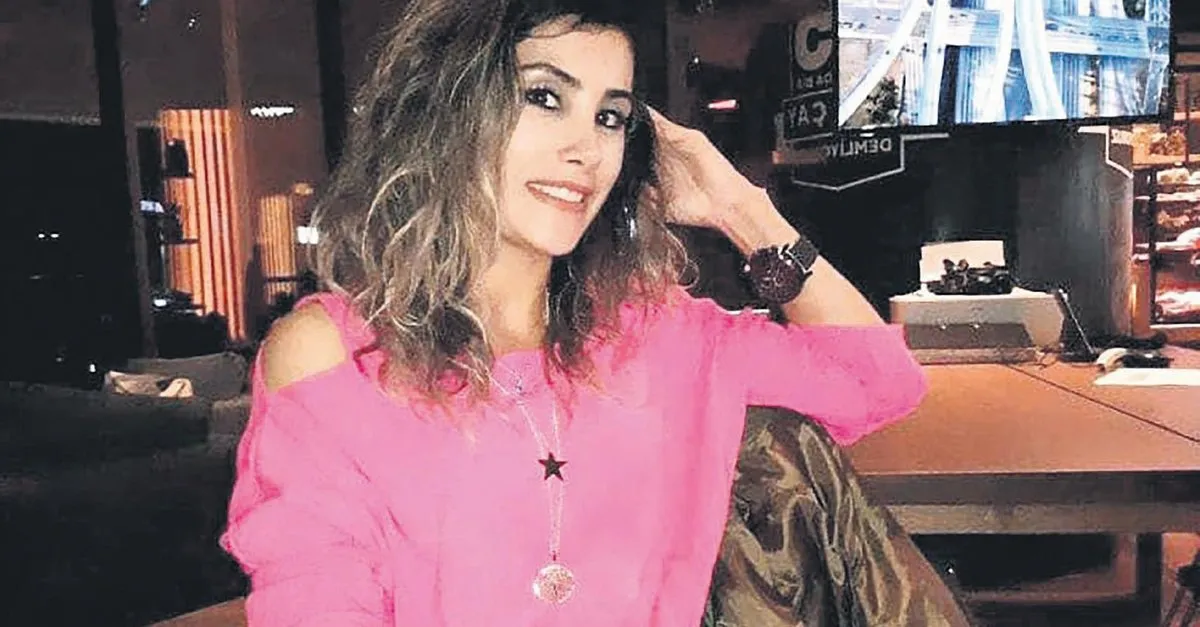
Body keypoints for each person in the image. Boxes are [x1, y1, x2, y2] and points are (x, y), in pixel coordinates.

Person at [220, 0, 928, 624]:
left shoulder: (652, 333)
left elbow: (876, 381)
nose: (585, 149)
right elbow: (314, 596)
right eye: (545, 97)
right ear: (447, 107)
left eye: (610, 117)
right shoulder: (334, 356)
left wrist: (739, 209)